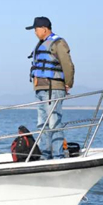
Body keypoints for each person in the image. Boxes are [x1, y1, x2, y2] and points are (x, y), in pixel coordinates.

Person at [26, 16, 75, 159]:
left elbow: (67, 64)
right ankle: (45, 154)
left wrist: (68, 83)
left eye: (36, 29)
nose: (35, 32)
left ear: (44, 29)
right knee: (42, 124)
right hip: (40, 89)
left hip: (53, 88)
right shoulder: (41, 43)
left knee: (54, 122)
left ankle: (58, 155)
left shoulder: (58, 43)